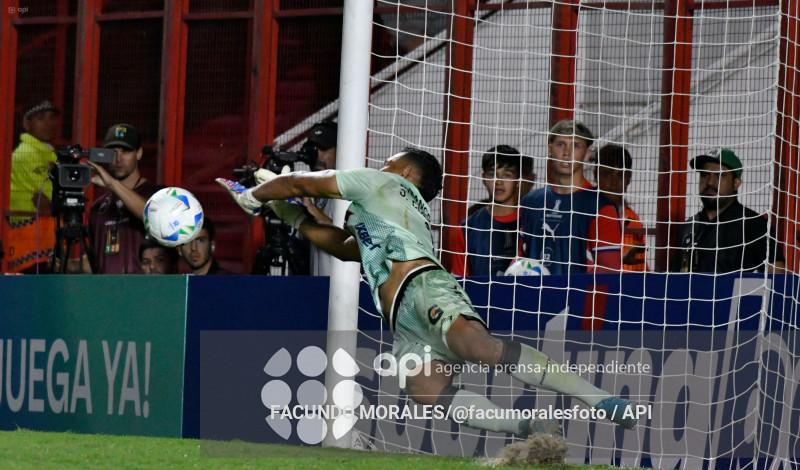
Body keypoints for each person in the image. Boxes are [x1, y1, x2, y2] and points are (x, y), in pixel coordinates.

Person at [217, 147, 639, 437]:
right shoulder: (389, 209)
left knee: (478, 347)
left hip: (422, 288)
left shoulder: (382, 185)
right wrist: (285, 210)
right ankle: (527, 427)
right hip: (403, 319)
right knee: (424, 389)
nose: (380, 166)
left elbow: (306, 182)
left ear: (404, 174)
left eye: (388, 161)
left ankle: (599, 399)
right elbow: (342, 246)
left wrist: (256, 195)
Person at [671, 148, 785, 273]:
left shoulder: (754, 225)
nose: (710, 182)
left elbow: (777, 279)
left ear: (736, 183)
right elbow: (675, 278)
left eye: (720, 175)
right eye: (705, 174)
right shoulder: (688, 227)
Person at [519, 119, 599, 274]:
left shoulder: (599, 205)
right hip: (535, 296)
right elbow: (520, 253)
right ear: (550, 149)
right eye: (561, 144)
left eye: (576, 145)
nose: (567, 152)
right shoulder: (531, 201)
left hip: (576, 296)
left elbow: (608, 272)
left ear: (587, 154)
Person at [82, 123, 162, 273]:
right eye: (113, 152)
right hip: (107, 292)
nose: (118, 159)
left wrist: (112, 184)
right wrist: (71, 265)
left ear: (139, 154)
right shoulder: (98, 207)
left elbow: (152, 215)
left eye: (125, 152)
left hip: (146, 291)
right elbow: (96, 262)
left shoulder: (158, 194)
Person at [451, 145, 534, 276]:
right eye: (492, 175)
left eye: (506, 175)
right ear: (483, 178)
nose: (498, 181)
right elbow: (459, 285)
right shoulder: (467, 229)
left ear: (518, 180)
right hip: (481, 297)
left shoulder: (532, 222)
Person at [5, 100, 60, 273]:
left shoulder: (49, 154)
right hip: (29, 250)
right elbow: (49, 200)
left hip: (44, 248)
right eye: (41, 118)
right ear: (27, 123)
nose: (48, 123)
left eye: (51, 117)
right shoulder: (25, 154)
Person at [587, 144, 647, 273]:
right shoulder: (584, 210)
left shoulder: (632, 219)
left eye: (620, 175)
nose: (614, 182)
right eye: (607, 174)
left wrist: (621, 259)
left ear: (629, 177)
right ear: (595, 175)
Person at [302, 121, 338, 275]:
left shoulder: (351, 191)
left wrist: (311, 210)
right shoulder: (315, 192)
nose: (318, 156)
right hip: (316, 289)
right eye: (314, 150)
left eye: (324, 149)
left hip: (343, 291)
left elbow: (348, 238)